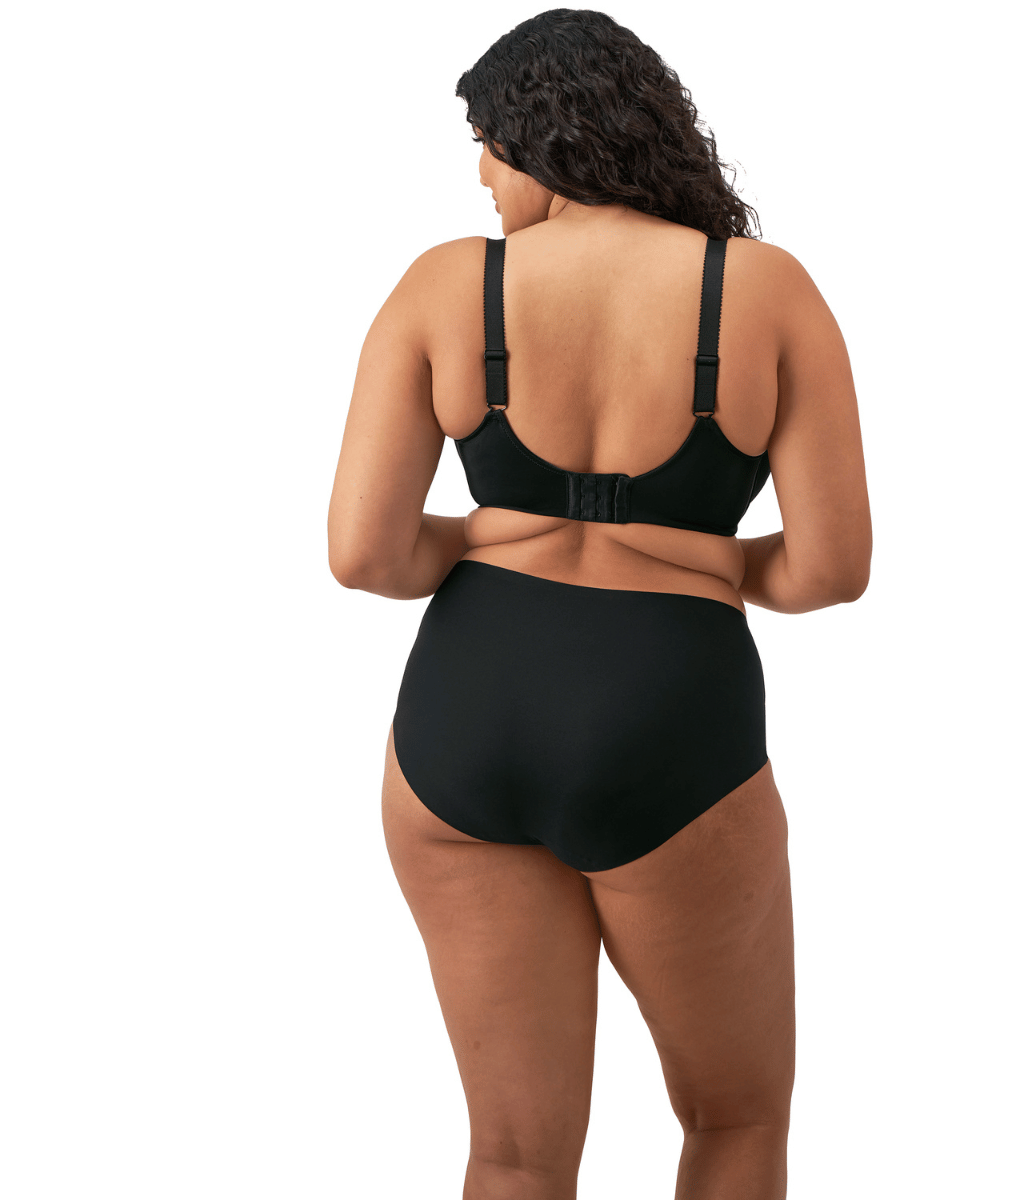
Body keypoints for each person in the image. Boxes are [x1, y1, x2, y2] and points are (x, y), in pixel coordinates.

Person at [328, 9, 871, 1198]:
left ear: (547, 134)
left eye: (488, 144)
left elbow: (366, 555)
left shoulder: (446, 286)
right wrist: (705, 564)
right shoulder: (762, 291)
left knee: (512, 1155)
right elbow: (830, 570)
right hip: (667, 714)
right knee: (734, 1117)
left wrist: (491, 534)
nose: (482, 176)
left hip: (468, 712)